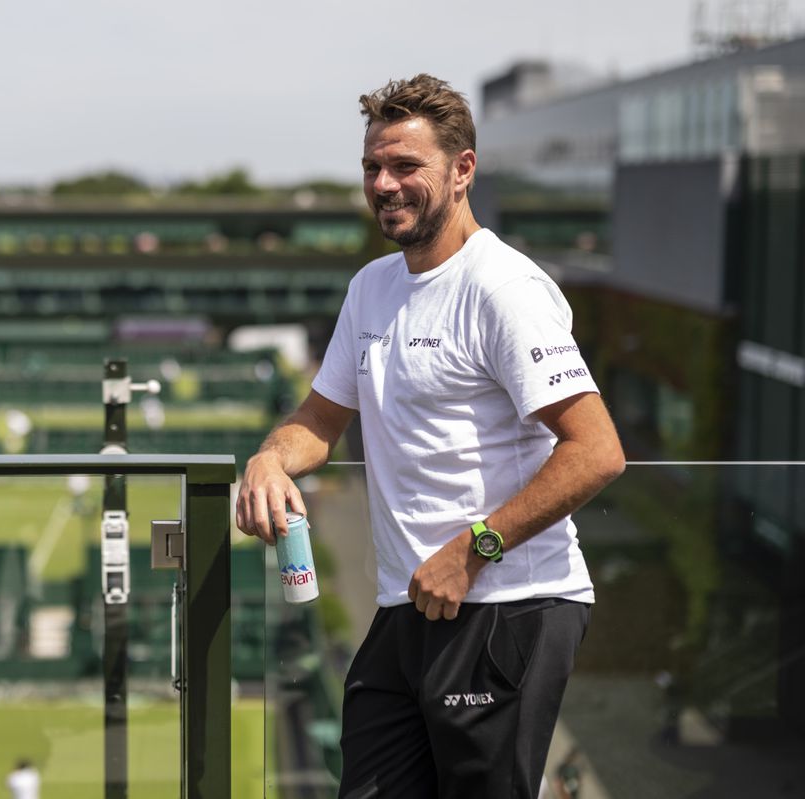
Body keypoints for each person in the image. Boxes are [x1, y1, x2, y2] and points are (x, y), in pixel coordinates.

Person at [236, 74, 625, 798]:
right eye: (372, 167)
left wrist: (473, 550)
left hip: (506, 605)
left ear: (463, 169)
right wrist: (269, 456)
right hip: (405, 607)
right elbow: (320, 420)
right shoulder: (372, 287)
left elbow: (597, 450)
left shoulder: (504, 289)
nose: (384, 184)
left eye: (406, 166)